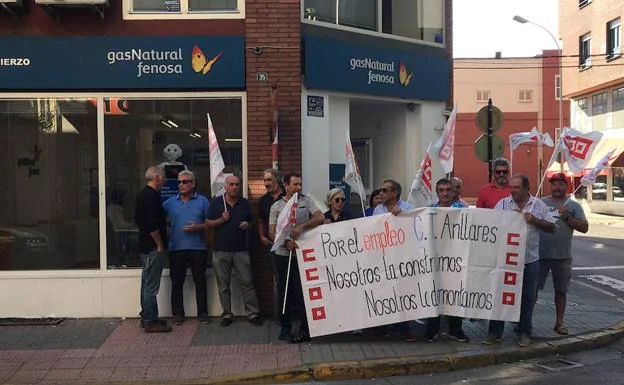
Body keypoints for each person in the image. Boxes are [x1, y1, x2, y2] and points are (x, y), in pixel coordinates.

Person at [484, 174, 555, 347]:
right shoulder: (502, 204)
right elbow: (491, 226)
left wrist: (534, 220)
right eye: (511, 187)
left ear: (526, 187)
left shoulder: (538, 205)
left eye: (517, 188)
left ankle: (524, 333)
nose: (513, 191)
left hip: (529, 260)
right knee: (500, 296)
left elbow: (552, 227)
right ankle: (494, 334)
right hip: (506, 260)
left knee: (527, 298)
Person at [269, 173, 324, 343]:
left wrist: (302, 226)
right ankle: (285, 326)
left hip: (303, 253)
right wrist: (285, 242)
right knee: (284, 291)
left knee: (302, 291)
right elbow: (272, 231)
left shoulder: (306, 201)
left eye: (300, 184)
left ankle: (304, 327)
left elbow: (319, 217)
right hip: (283, 255)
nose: (298, 187)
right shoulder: (277, 206)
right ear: (286, 185)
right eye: (295, 184)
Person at [206, 175, 262, 327]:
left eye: (237, 184)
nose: (234, 187)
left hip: (241, 250)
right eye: (231, 184)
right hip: (220, 250)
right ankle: (227, 314)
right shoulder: (217, 203)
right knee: (223, 285)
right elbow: (208, 223)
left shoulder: (244, 203)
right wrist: (221, 220)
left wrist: (247, 225)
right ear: (226, 186)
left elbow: (252, 221)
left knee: (247, 282)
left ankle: (252, 313)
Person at [538, 173, 588, 335]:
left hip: (562, 257)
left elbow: (584, 227)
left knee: (561, 291)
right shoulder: (541, 203)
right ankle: (524, 323)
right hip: (539, 256)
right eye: (554, 184)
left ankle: (559, 323)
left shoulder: (573, 206)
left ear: (567, 186)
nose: (557, 187)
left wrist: (568, 218)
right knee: (532, 291)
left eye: (561, 184)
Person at [163, 170, 210, 325]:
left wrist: (199, 227)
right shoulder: (170, 203)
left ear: (193, 183)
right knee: (176, 282)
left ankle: (203, 313)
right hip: (176, 248)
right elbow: (158, 219)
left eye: (184, 182)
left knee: (200, 281)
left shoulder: (203, 202)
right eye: (179, 182)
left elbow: (210, 224)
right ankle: (177, 313)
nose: (181, 185)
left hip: (198, 248)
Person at [372, 179, 417, 342]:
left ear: (394, 193)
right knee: (384, 292)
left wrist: (400, 218)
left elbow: (414, 231)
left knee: (402, 292)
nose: (381, 193)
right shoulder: (378, 209)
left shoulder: (408, 209)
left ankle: (405, 328)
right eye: (380, 190)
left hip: (402, 258)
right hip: (383, 257)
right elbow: (373, 230)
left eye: (384, 190)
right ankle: (382, 328)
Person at [425, 178, 470, 342]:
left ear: (453, 192)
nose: (445, 193)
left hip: (456, 261)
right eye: (441, 190)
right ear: (437, 193)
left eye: (447, 190)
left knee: (455, 295)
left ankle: (456, 330)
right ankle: (432, 330)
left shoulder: (463, 210)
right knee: (434, 295)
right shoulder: (429, 210)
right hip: (435, 260)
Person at [134, 166, 171, 333]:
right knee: (151, 285)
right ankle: (149, 321)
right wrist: (160, 244)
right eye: (163, 177)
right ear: (157, 177)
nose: (164, 180)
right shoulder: (150, 197)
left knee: (146, 282)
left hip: (145, 245)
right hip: (152, 247)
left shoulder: (144, 194)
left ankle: (148, 316)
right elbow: (151, 224)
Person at [257, 168, 285, 323]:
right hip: (272, 246)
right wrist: (261, 236)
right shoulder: (263, 201)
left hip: (289, 245)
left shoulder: (287, 197)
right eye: (264, 180)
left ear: (276, 180)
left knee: (290, 279)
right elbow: (261, 220)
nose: (266, 183)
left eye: (269, 180)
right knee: (278, 279)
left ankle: (291, 313)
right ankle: (280, 315)